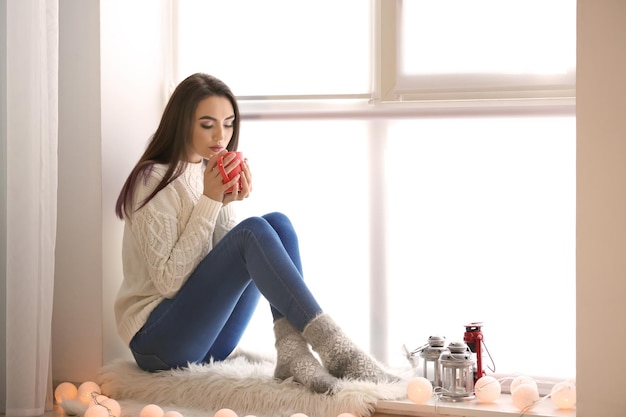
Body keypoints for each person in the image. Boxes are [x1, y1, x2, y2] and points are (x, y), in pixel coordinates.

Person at [114, 72, 397, 394]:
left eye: (229, 123)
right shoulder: (152, 179)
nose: (220, 135)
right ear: (181, 123)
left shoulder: (202, 172)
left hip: (209, 344)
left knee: (277, 224)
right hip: (158, 343)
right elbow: (170, 282)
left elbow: (220, 262)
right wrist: (211, 200)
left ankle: (292, 351)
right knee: (253, 232)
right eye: (207, 124)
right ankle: (336, 348)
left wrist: (225, 202)